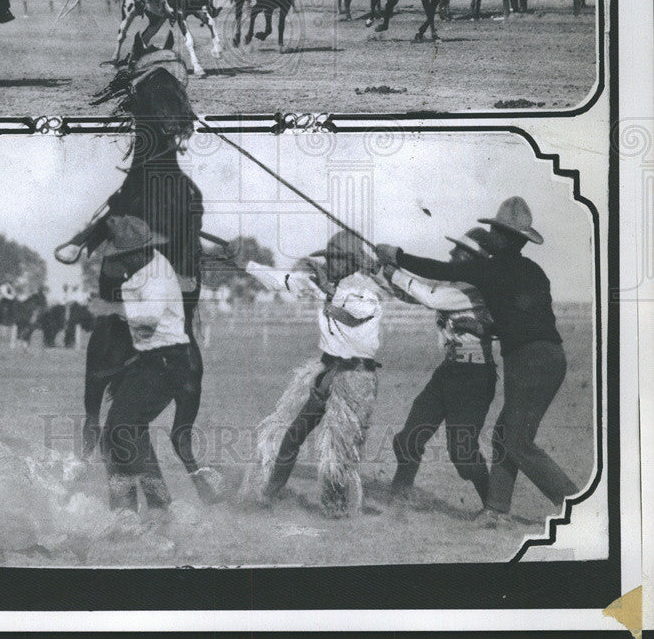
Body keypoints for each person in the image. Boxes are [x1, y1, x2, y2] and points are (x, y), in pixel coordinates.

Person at [376, 197, 579, 527]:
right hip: (549, 358)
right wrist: (489, 328)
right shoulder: (533, 272)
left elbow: (438, 272)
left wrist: (396, 257)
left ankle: (576, 504)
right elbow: (531, 319)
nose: (490, 234)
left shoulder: (487, 268)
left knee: (517, 442)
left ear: (503, 237)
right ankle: (496, 509)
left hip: (527, 361)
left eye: (494, 230)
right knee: (506, 436)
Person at [241, 230, 384, 518]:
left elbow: (355, 312)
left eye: (336, 258)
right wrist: (248, 264)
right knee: (293, 434)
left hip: (355, 378)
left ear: (352, 262)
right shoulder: (330, 284)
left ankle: (337, 507)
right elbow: (283, 281)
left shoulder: (366, 289)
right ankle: (270, 492)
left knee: (338, 450)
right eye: (328, 258)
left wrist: (328, 288)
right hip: (325, 370)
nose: (330, 263)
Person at [97, 215, 222, 515]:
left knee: (122, 430)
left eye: (124, 257)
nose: (121, 264)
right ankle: (153, 504)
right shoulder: (148, 268)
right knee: (121, 431)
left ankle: (134, 509)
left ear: (139, 253)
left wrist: (113, 310)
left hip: (168, 364)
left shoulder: (154, 279)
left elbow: (145, 328)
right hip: (154, 361)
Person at [382, 228, 498, 506]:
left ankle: (494, 507)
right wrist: (383, 272)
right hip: (449, 372)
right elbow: (413, 295)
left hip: (474, 377)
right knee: (408, 438)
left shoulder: (471, 289)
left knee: (463, 454)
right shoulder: (454, 287)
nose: (450, 254)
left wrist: (394, 273)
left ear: (471, 260)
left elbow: (429, 296)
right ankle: (399, 496)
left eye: (456, 251)